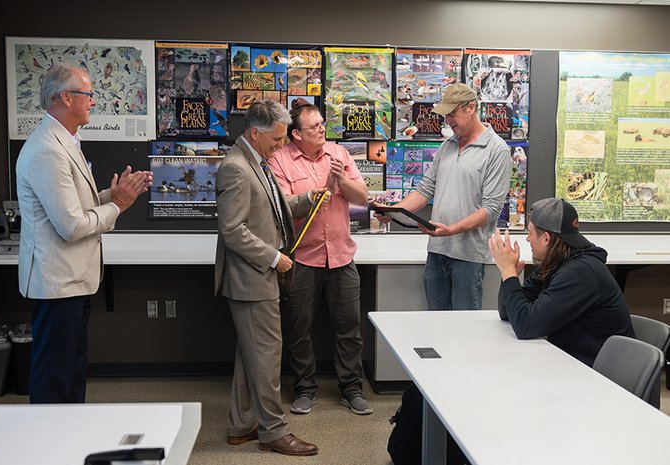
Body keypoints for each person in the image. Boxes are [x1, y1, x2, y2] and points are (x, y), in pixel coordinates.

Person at [16, 62, 152, 404]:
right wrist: (117, 205)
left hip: (73, 281)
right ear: (65, 97)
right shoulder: (48, 149)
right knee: (55, 377)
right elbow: (72, 225)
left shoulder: (66, 141)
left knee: (71, 372)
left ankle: (69, 440)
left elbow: (75, 206)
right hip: (58, 284)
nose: (93, 101)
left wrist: (115, 195)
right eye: (88, 94)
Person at [215, 100, 323, 456]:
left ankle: (241, 425)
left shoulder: (254, 161)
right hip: (252, 278)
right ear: (255, 133)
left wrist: (307, 198)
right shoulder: (235, 168)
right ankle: (273, 432)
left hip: (256, 278)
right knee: (265, 356)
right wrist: (275, 257)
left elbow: (272, 207)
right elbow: (232, 230)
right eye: (277, 139)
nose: (281, 145)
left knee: (252, 356)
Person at [268, 104, 372, 416]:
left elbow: (361, 196)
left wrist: (341, 182)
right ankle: (304, 388)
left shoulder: (339, 154)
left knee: (349, 327)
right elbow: (283, 207)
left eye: (322, 124)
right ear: (296, 134)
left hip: (341, 254)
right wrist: (321, 190)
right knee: (299, 328)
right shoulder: (280, 160)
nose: (321, 130)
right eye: (313, 127)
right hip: (302, 258)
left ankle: (351, 388)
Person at [376, 83, 511, 310]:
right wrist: (394, 211)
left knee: (463, 327)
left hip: (469, 256)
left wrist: (452, 230)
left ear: (471, 108)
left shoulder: (497, 150)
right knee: (436, 324)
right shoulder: (447, 146)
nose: (448, 121)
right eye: (446, 115)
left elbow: (491, 209)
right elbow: (425, 188)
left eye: (452, 114)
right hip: (437, 252)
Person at [489, 197, 635, 366]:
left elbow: (525, 325)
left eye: (529, 233)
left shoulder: (579, 272)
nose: (527, 239)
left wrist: (509, 273)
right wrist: (508, 275)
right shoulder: (556, 264)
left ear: (546, 238)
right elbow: (508, 313)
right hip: (571, 364)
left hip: (600, 375)